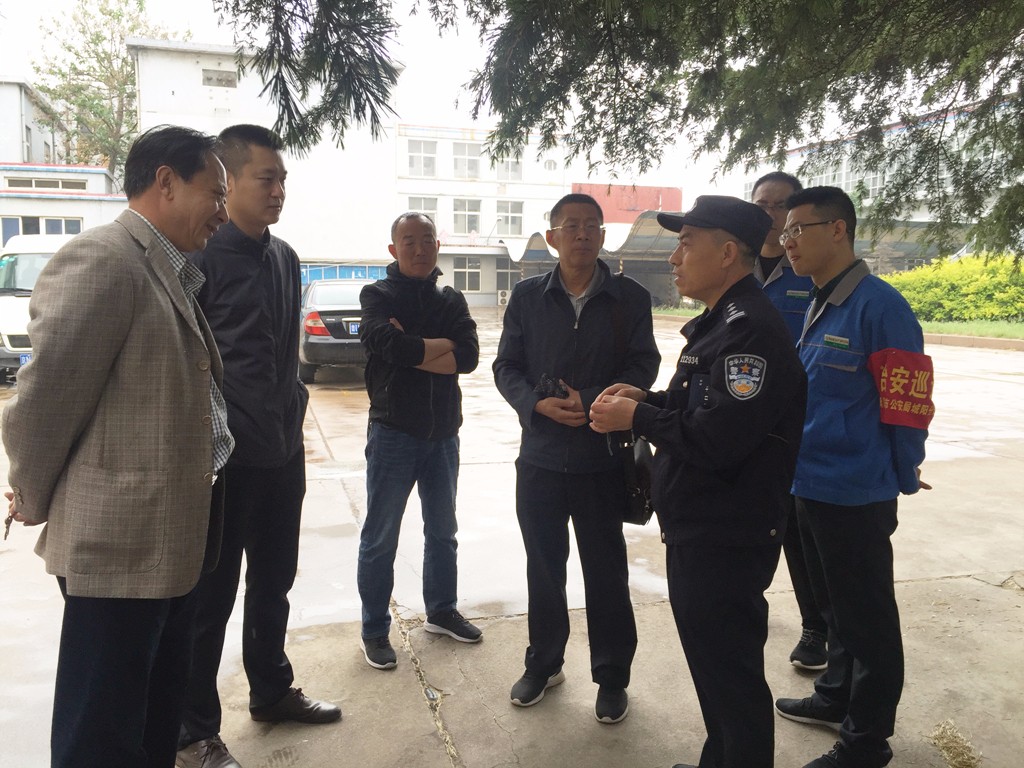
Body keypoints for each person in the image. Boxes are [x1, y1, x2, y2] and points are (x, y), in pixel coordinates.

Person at [2, 125, 231, 768]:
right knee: (101, 730)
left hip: (173, 536)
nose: (222, 211)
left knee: (155, 717)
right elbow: (45, 399)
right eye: (215, 193)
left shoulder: (168, 268)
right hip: (120, 544)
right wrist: (31, 493)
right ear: (166, 182)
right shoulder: (105, 259)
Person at [589, 195, 807, 768]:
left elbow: (718, 439)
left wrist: (638, 417)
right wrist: (649, 398)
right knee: (713, 668)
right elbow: (702, 407)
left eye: (687, 244)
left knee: (731, 675)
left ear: (728, 253)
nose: (674, 257)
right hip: (702, 524)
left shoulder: (749, 331)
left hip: (727, 532)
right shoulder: (722, 323)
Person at [175, 125, 339, 768]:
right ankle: (193, 731)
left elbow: (282, 352)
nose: (278, 191)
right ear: (230, 180)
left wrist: (292, 411)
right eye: (265, 179)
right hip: (224, 461)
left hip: (281, 451)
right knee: (210, 599)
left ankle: (271, 690)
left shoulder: (285, 257)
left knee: (274, 582)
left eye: (283, 180)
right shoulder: (200, 258)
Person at [773, 186, 934, 768]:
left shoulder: (880, 307)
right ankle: (834, 695)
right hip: (808, 482)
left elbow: (908, 406)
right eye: (785, 231)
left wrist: (900, 473)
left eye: (799, 229)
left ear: (838, 229)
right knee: (833, 609)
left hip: (855, 492)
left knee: (868, 623)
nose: (788, 242)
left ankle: (866, 741)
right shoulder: (820, 300)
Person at [493, 193, 660, 724]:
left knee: (605, 573)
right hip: (540, 458)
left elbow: (644, 364)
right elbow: (505, 366)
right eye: (571, 226)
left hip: (601, 459)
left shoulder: (630, 298)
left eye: (591, 226)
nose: (582, 234)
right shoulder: (527, 296)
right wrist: (534, 403)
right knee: (544, 570)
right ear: (552, 237)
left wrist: (591, 400)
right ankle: (543, 664)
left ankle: (612, 677)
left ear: (603, 237)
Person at [356, 211, 482, 670]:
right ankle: (374, 629)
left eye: (426, 239)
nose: (419, 248)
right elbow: (385, 345)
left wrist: (412, 347)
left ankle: (442, 612)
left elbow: (469, 356)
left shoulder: (450, 298)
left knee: (443, 532)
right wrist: (439, 345)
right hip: (393, 432)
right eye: (408, 240)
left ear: (437, 245)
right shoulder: (377, 295)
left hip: (444, 434)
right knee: (380, 537)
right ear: (394, 249)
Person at [750, 171, 828, 671]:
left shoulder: (808, 272)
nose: (770, 214)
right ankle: (746, 610)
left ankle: (816, 626)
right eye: (762, 204)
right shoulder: (737, 265)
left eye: (780, 206)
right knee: (752, 528)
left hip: (799, 426)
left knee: (800, 536)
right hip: (745, 423)